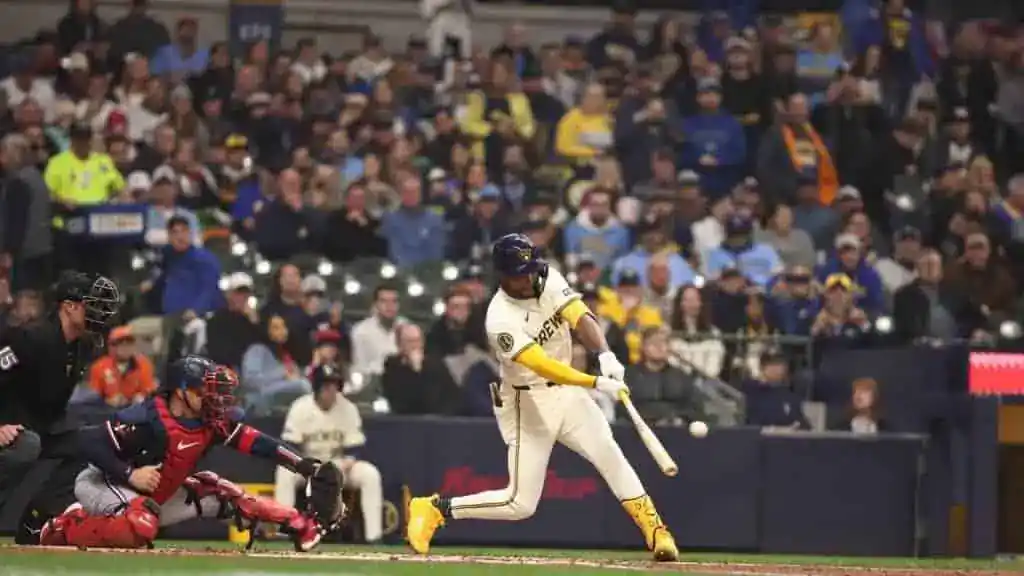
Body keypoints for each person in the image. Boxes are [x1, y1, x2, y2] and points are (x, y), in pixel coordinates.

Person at [406, 233, 678, 561]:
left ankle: (657, 532)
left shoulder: (546, 277)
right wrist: (594, 381)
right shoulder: (499, 319)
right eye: (521, 274)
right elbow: (542, 366)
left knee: (609, 453)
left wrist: (605, 354)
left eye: (532, 269)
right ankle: (436, 508)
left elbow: (580, 315)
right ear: (503, 276)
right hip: (528, 403)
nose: (530, 277)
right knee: (520, 504)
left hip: (568, 393)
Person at [39, 356, 337, 550]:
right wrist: (130, 474)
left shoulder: (211, 422)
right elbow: (89, 442)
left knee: (223, 495)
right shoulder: (144, 419)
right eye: (204, 390)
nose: (214, 397)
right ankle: (67, 527)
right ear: (181, 392)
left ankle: (299, 524)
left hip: (154, 498)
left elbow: (257, 442)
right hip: (103, 483)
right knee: (140, 525)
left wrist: (301, 464)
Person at [0, 270, 121, 544]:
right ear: (69, 306)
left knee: (94, 445)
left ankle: (35, 521)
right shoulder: (28, 338)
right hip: (11, 428)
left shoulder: (83, 345)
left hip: (42, 426)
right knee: (27, 444)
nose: (101, 313)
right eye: (93, 305)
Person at [275, 364, 384, 543]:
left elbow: (354, 448)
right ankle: (283, 532)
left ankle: (374, 537)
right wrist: (307, 466)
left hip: (337, 465)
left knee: (370, 474)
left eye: (334, 385)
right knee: (284, 472)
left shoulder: (347, 408)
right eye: (326, 386)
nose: (331, 391)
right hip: (307, 465)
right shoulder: (300, 407)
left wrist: (347, 462)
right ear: (316, 388)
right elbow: (290, 446)